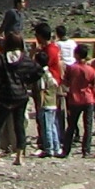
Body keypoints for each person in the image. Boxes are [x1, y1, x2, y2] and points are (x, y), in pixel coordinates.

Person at [62, 43, 95, 156]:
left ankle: (66, 150)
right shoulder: (91, 69)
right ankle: (86, 150)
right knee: (88, 125)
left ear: (76, 55)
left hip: (74, 99)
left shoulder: (71, 68)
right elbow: (94, 84)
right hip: (88, 98)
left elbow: (66, 81)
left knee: (71, 125)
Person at [32, 23, 63, 158]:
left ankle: (48, 146)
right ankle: (55, 146)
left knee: (47, 123)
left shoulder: (49, 51)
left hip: (47, 91)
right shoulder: (53, 48)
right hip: (54, 85)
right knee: (52, 122)